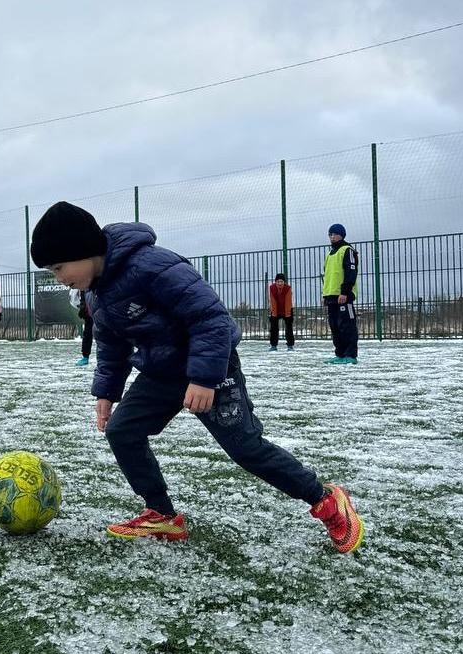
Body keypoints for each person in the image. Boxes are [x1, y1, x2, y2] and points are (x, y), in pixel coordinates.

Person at [30, 201, 364, 553]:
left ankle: (327, 499)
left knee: (246, 448)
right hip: (162, 373)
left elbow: (212, 319)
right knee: (122, 431)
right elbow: (111, 347)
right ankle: (161, 514)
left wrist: (204, 378)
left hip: (210, 368)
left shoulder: (151, 265)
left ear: (83, 250)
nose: (59, 278)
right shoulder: (96, 295)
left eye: (59, 267)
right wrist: (105, 393)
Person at [323, 223, 359, 365]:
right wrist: (325, 296)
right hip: (331, 297)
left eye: (335, 234)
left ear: (342, 235)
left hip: (343, 296)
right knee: (335, 327)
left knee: (347, 326)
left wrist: (345, 292)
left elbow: (351, 273)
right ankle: (340, 354)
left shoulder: (347, 250)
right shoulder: (329, 254)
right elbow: (328, 276)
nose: (332, 237)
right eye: (330, 234)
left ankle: (350, 355)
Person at [268, 272, 294, 351]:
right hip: (275, 309)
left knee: (289, 328)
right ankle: (273, 345)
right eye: (278, 281)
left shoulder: (288, 288)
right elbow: (273, 301)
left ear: (284, 282)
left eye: (281, 281)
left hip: (287, 309)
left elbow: (288, 301)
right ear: (275, 282)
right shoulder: (272, 288)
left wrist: (288, 314)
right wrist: (274, 313)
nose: (280, 283)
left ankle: (290, 345)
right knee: (274, 328)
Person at [76, 289, 94, 365]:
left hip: (103, 309)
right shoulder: (84, 283)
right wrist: (83, 307)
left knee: (105, 334)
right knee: (87, 333)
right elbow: (83, 297)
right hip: (89, 312)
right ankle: (85, 357)